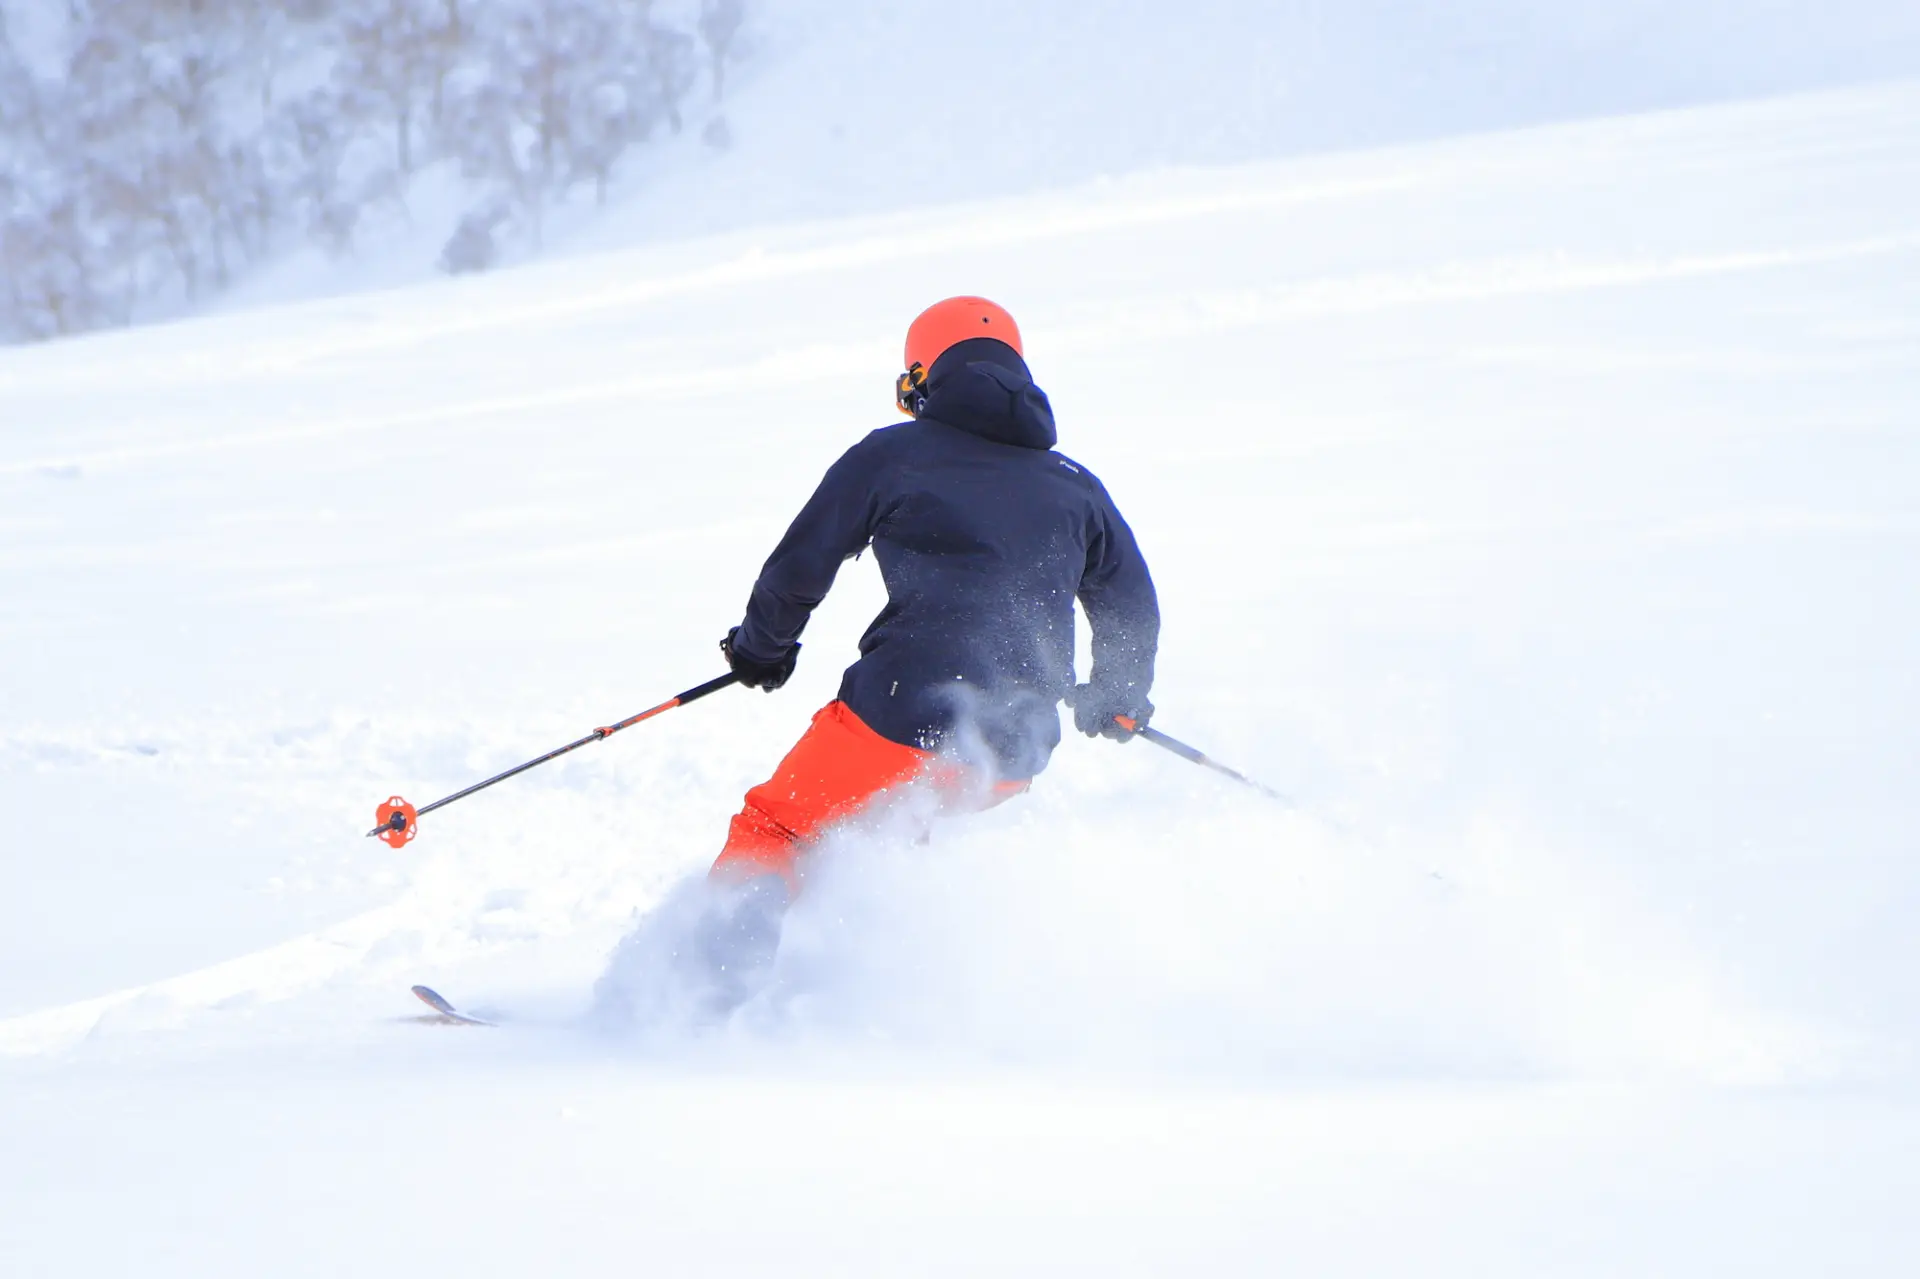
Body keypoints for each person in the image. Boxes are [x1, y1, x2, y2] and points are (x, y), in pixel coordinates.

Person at [703, 296, 1159, 956]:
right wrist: (1116, 696)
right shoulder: (1076, 486)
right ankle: (873, 989)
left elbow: (800, 565)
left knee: (779, 827)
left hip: (899, 713)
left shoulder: (894, 455)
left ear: (923, 379)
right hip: (1011, 750)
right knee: (891, 843)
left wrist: (760, 648)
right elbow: (1131, 604)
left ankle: (701, 987)